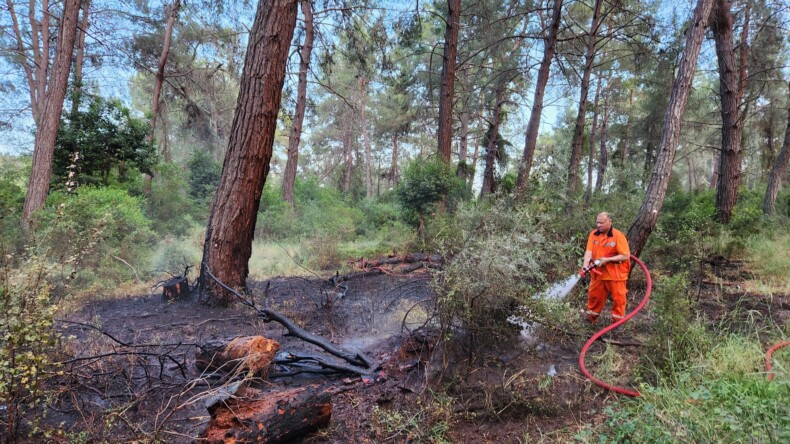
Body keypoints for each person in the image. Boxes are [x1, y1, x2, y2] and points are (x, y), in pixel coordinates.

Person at [582, 212, 631, 324]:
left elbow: (626, 255)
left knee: (619, 300)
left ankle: (617, 324)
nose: (598, 225)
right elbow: (588, 251)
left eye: (601, 223)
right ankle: (590, 320)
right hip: (598, 274)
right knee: (594, 297)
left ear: (609, 221)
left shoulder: (618, 236)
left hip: (615, 275)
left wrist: (606, 260)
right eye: (597, 222)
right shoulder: (593, 234)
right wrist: (585, 265)